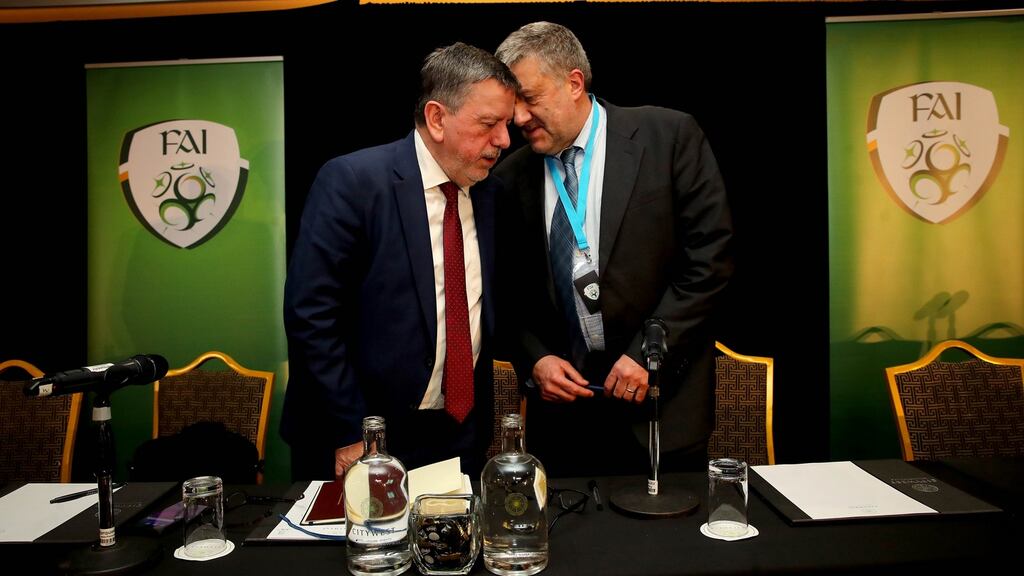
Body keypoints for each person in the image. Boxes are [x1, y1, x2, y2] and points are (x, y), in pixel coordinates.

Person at [494, 22, 733, 477]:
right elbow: (507, 294)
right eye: (512, 105)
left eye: (529, 98)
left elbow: (710, 260)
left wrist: (648, 353)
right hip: (564, 424)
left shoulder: (668, 137)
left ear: (574, 82)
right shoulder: (510, 178)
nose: (518, 118)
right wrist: (536, 359)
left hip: (663, 410)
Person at [281, 42, 518, 481]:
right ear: (436, 118)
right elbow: (311, 315)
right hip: (363, 434)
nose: (503, 140)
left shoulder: (491, 194)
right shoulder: (354, 183)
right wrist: (353, 430)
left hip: (458, 430)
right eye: (489, 124)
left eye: (506, 123)